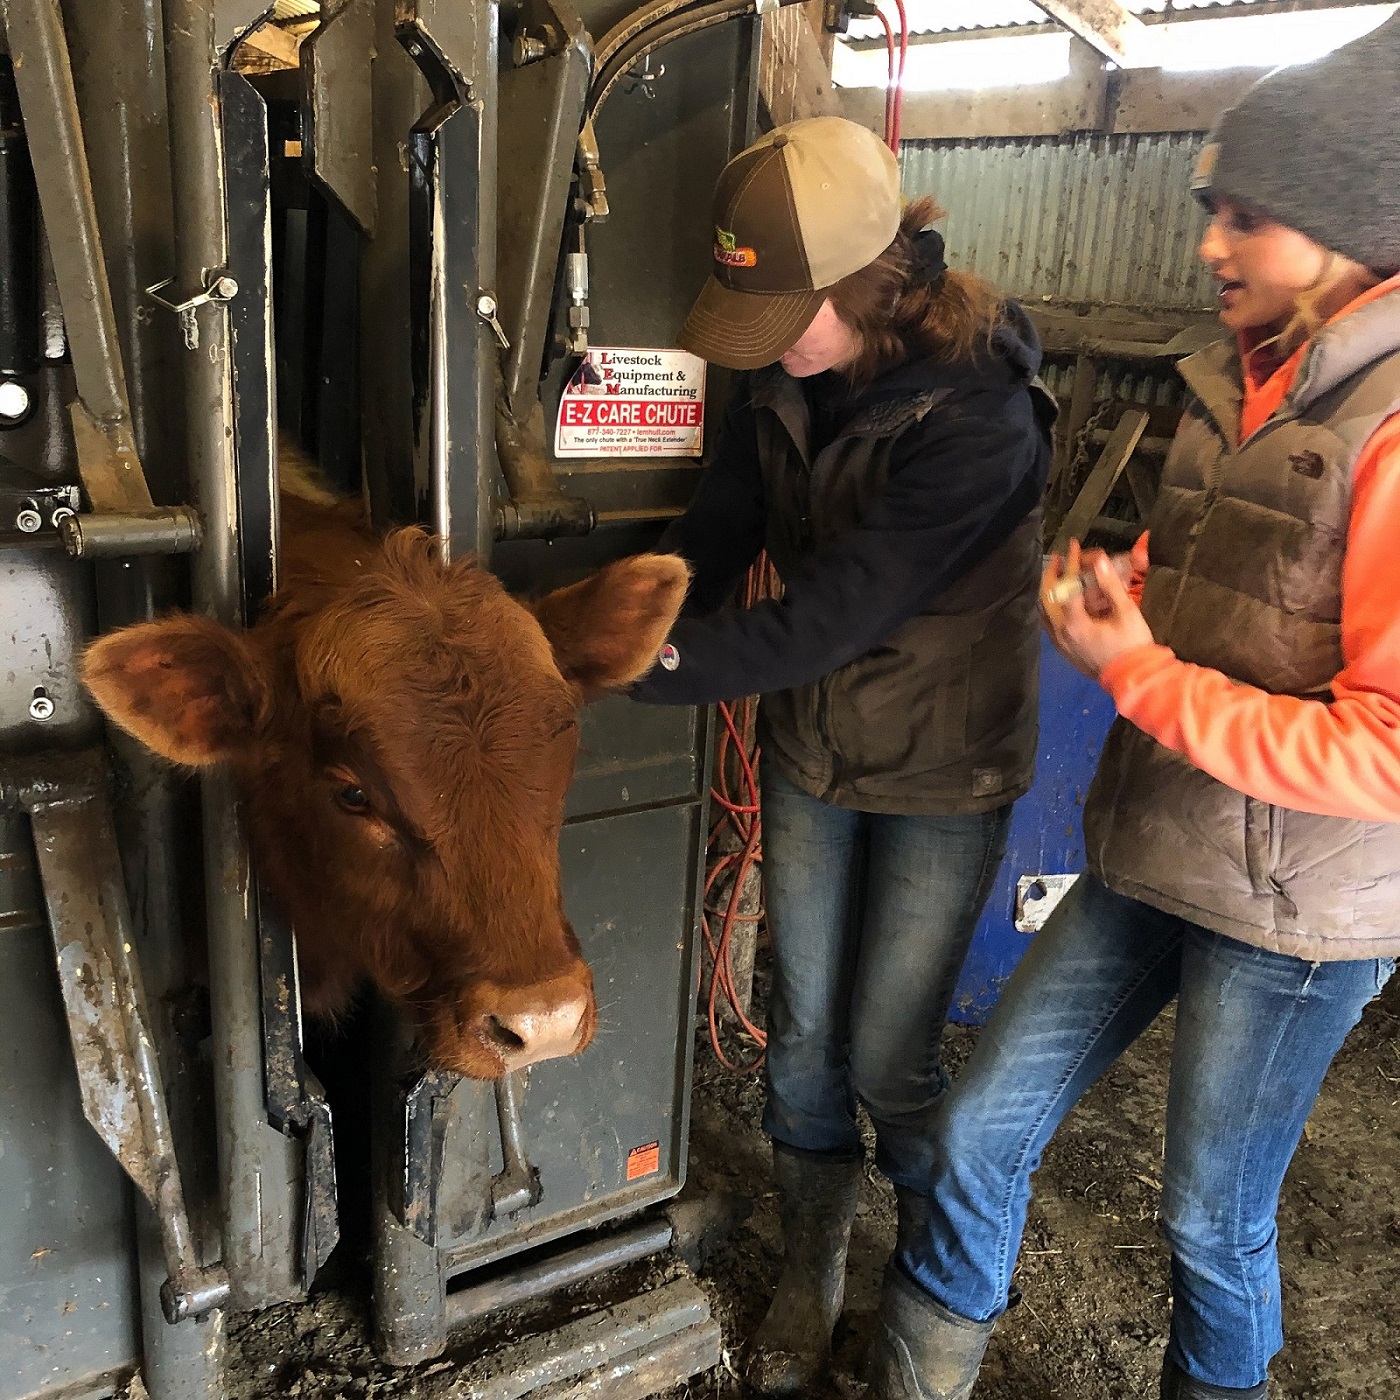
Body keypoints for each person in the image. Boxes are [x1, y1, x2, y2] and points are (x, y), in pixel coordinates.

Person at [866, 17, 1400, 1400]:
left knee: (1208, 1219)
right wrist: (1132, 590)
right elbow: (1234, 574)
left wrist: (1137, 672)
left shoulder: (1393, 431)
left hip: (1299, 909)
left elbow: (1389, 747)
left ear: (1352, 227)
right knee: (981, 1128)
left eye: (1254, 218)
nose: (1216, 245)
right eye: (1213, 210)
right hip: (1160, 839)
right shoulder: (1245, 384)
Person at [629, 116, 1054, 1393]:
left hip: (940, 767)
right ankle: (814, 1266)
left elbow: (840, 607)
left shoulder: (981, 412)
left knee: (888, 1055)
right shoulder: (783, 381)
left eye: (783, 312)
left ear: (867, 283)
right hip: (814, 750)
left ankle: (925, 1288)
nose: (768, 343)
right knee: (806, 1042)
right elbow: (718, 525)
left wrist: (636, 668)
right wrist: (635, 605)